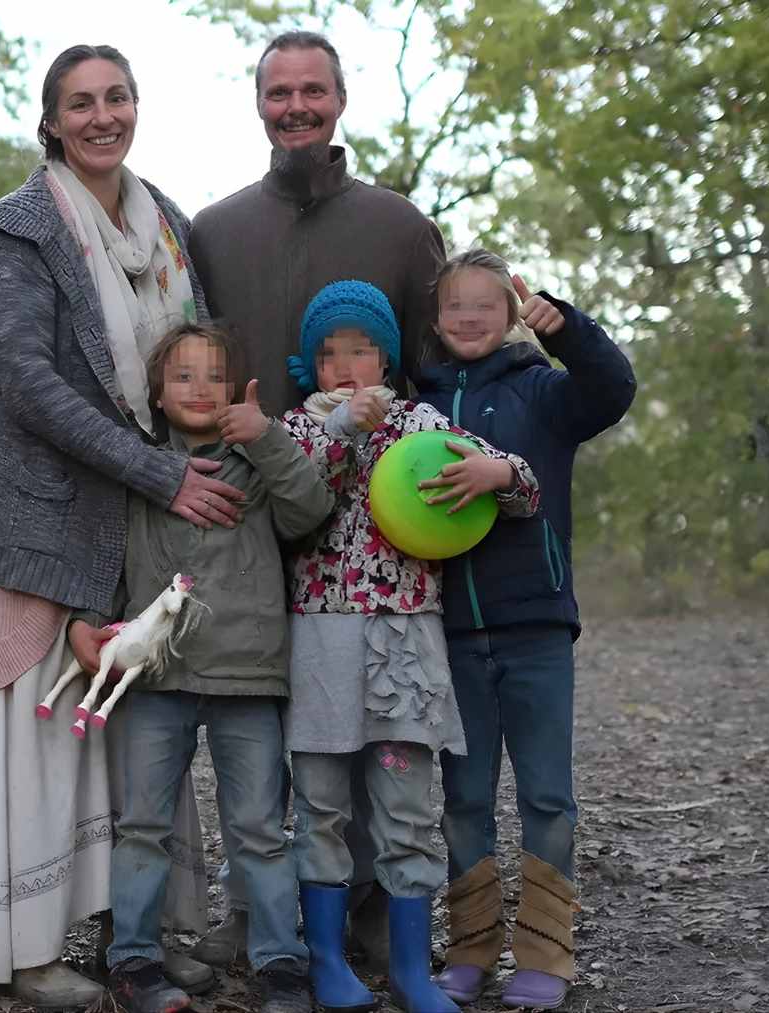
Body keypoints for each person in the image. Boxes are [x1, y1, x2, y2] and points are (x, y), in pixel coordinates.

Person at [0, 44, 243, 1009]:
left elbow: (192, 361)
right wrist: (159, 472)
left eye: (116, 97)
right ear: (50, 121)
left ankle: (152, 932)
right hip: (51, 517)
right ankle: (31, 950)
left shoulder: (162, 220)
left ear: (137, 105)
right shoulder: (24, 226)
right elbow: (29, 384)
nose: (101, 116)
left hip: (144, 517)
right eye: (79, 103)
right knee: (49, 733)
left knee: (144, 731)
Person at [186, 28, 447, 967]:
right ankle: (260, 910)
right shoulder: (214, 230)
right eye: (278, 92)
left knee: (372, 723)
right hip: (245, 516)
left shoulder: (398, 226)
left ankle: (374, 910)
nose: (295, 106)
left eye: (313, 91)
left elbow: (433, 375)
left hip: (372, 538)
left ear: (340, 101)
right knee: (262, 728)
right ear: (259, 103)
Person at [278, 281, 539, 1013]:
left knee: (404, 807)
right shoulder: (296, 431)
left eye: (361, 349)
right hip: (321, 640)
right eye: (329, 354)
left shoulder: (422, 423)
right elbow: (297, 507)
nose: (346, 366)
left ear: (386, 357)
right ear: (314, 367)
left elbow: (522, 488)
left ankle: (409, 969)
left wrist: (500, 472)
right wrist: (343, 433)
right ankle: (328, 962)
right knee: (322, 804)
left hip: (405, 642)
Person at [84, 323, 332, 1013]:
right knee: (142, 825)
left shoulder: (254, 463)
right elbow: (106, 557)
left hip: (247, 676)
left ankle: (282, 963)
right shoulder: (137, 469)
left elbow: (310, 507)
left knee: (258, 828)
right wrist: (87, 619)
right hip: (156, 678)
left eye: (213, 375)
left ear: (234, 390)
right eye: (183, 375)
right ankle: (133, 961)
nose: (199, 387)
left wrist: (263, 435)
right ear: (158, 394)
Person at [414, 249, 635, 1011]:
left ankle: (545, 951)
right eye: (455, 306)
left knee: (546, 795)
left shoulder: (544, 390)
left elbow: (614, 389)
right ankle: (472, 945)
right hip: (449, 631)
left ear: (509, 315)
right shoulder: (419, 402)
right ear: (436, 321)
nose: (470, 317)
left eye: (486, 304)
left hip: (536, 623)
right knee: (463, 797)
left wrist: (568, 329)